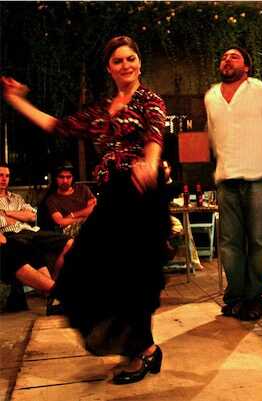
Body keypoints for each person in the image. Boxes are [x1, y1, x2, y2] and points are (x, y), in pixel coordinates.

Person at [1, 35, 170, 385]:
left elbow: (155, 136)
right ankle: (141, 347)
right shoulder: (99, 110)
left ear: (139, 63)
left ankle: (142, 350)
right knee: (80, 267)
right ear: (109, 68)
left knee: (132, 277)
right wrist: (17, 100)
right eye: (118, 60)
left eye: (131, 58)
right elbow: (57, 126)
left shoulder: (150, 100)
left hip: (141, 193)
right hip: (112, 197)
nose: (126, 65)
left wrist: (150, 164)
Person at [204, 47, 262, 321]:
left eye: (234, 56)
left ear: (246, 66)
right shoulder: (211, 96)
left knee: (258, 241)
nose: (227, 60)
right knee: (229, 243)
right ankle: (235, 297)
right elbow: (213, 132)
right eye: (223, 57)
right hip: (226, 177)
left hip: (259, 176)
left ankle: (255, 298)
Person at [0, 163, 72, 308]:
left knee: (70, 242)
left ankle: (54, 294)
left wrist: (7, 213)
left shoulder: (16, 198)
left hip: (31, 231)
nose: (4, 179)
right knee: (27, 250)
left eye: (7, 176)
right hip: (12, 234)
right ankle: (57, 294)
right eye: (0, 175)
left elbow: (32, 215)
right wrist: (18, 216)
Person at [39, 161, 96, 238]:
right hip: (69, 233)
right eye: (61, 177)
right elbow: (60, 222)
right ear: (56, 178)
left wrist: (72, 215)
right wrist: (83, 218)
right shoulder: (51, 199)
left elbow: (94, 208)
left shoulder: (83, 189)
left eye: (68, 177)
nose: (65, 181)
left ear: (73, 178)